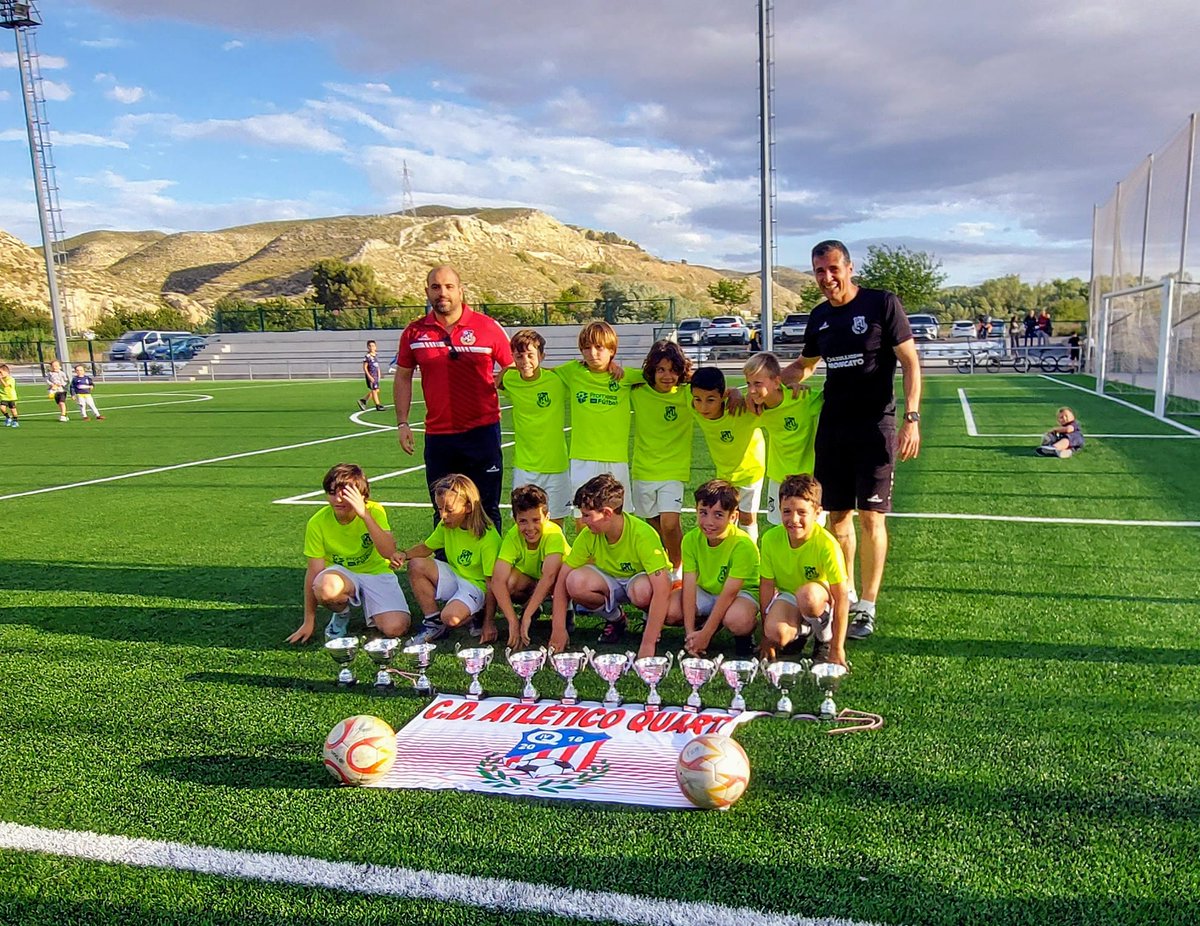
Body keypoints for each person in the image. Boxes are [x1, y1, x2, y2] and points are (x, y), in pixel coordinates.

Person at [780, 239, 921, 641]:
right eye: (819, 271)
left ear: (849, 268)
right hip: (834, 428)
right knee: (837, 517)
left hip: (876, 426)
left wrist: (911, 418)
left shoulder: (881, 303)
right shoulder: (819, 317)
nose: (827, 278)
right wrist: (763, 383)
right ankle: (847, 596)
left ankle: (868, 606)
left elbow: (911, 363)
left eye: (833, 269)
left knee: (871, 516)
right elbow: (806, 365)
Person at [393, 266, 513, 528]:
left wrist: (495, 384)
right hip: (439, 437)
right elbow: (402, 376)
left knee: (486, 508)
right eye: (436, 287)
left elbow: (511, 367)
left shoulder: (487, 327)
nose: (442, 293)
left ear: (460, 290)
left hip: (482, 433)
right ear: (427, 291)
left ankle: (489, 557)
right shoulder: (414, 333)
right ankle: (445, 556)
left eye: (449, 286)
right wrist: (402, 423)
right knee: (444, 511)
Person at [286, 463, 411, 644]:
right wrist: (308, 621)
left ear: (362, 496)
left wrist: (364, 515)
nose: (338, 499)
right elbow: (314, 573)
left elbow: (388, 552)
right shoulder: (317, 522)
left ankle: (373, 607)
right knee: (325, 587)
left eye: (345, 494)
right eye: (332, 493)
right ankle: (341, 613)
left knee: (396, 628)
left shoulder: (375, 511)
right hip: (341, 576)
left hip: (376, 572)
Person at [549, 473, 671, 655]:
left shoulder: (642, 534)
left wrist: (648, 643)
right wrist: (558, 629)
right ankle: (616, 619)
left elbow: (662, 588)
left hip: (639, 583)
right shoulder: (588, 536)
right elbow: (562, 580)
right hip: (611, 582)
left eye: (587, 515)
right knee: (574, 581)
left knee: (643, 591)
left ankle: (651, 624)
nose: (583, 521)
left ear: (607, 513)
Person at [397, 473, 502, 645]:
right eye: (440, 509)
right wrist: (404, 555)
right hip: (455, 574)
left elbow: (492, 584)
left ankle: (477, 614)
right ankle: (433, 623)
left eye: (449, 510)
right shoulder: (446, 525)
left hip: (477, 586)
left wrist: (489, 622)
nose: (443, 515)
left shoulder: (487, 537)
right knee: (416, 564)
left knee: (450, 618)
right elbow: (426, 548)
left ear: (468, 507)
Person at [759, 474, 849, 666]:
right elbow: (766, 585)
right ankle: (804, 631)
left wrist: (837, 647)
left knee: (808, 596)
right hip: (788, 595)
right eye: (787, 511)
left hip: (818, 598)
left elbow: (841, 596)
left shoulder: (827, 544)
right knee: (776, 633)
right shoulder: (770, 539)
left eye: (802, 512)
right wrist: (766, 637)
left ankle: (824, 639)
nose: (794, 519)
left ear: (817, 513)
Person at [552, 320, 643, 511]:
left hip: (615, 458)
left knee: (618, 514)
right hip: (582, 458)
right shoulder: (572, 371)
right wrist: (505, 371)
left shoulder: (625, 376)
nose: (592, 353)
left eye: (599, 347)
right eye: (587, 348)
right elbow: (538, 373)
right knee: (583, 515)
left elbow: (662, 377)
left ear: (612, 349)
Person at [668, 479, 760, 659]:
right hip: (707, 590)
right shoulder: (690, 539)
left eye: (718, 515)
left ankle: (743, 635)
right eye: (703, 512)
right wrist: (690, 633)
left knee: (737, 619)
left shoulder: (743, 545)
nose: (708, 522)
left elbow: (729, 594)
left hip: (740, 594)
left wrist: (706, 635)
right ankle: (701, 627)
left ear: (733, 517)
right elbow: (689, 587)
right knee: (671, 611)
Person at [631, 339, 693, 580]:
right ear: (652, 370)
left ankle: (678, 571)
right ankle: (665, 563)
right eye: (661, 370)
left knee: (669, 523)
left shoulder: (687, 394)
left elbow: (714, 391)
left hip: (673, 471)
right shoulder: (638, 391)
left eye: (673, 370)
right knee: (654, 524)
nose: (668, 376)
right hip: (644, 470)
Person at [743, 352, 823, 526]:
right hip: (778, 480)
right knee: (780, 529)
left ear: (777, 381)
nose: (752, 390)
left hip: (808, 479)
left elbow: (834, 398)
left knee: (811, 530)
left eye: (758, 383)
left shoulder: (801, 398)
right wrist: (735, 393)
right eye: (748, 384)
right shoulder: (755, 408)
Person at [499, 329, 571, 523]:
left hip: (556, 465)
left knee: (555, 523)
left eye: (530, 355)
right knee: (524, 522)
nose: (525, 361)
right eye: (519, 356)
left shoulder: (558, 380)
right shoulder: (510, 379)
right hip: (525, 467)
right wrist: (507, 369)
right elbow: (498, 381)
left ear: (542, 356)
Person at [689, 366, 766, 542]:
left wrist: (736, 393)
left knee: (746, 517)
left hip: (750, 472)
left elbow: (771, 399)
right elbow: (682, 378)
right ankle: (728, 552)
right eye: (697, 399)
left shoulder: (741, 410)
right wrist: (733, 390)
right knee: (723, 516)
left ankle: (750, 554)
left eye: (710, 400)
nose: (703, 406)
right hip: (724, 474)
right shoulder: (694, 405)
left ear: (722, 396)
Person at [492, 484, 570, 648]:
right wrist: (512, 621)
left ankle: (566, 611)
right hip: (534, 581)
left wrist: (526, 616)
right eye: (523, 521)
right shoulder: (513, 536)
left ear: (547, 517)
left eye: (536, 520)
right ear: (515, 520)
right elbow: (497, 580)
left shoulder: (554, 533)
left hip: (558, 584)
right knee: (508, 582)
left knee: (560, 576)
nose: (530, 528)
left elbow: (549, 576)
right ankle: (533, 605)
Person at [357, 340, 384, 412]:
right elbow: (365, 367)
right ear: (368, 347)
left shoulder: (376, 355)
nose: (372, 347)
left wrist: (379, 373)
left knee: (377, 390)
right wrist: (369, 376)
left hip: (376, 375)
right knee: (374, 390)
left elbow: (377, 366)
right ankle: (378, 405)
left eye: (373, 346)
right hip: (371, 375)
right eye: (370, 346)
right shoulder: (367, 356)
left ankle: (363, 400)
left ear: (375, 347)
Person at [0, 363, 20, 428]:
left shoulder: (11, 379)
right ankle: (8, 417)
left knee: (13, 410)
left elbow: (5, 385)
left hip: (11, 397)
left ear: (6, 372)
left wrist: (1, 379)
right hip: (4, 397)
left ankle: (15, 421)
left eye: (1, 372)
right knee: (2, 408)